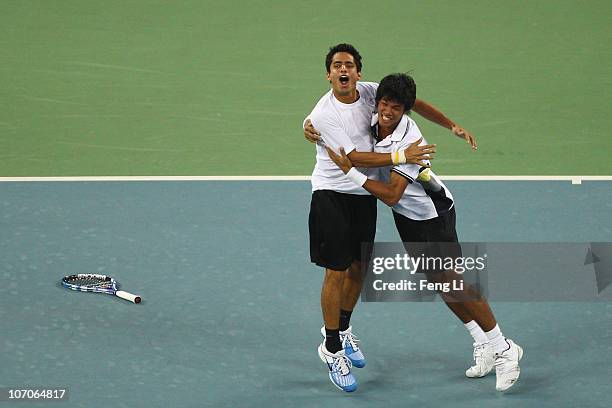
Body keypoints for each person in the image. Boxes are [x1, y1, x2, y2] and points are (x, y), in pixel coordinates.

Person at [325, 72, 523, 392]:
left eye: (397, 107)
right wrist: (451, 125)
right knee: (440, 283)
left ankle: (504, 348)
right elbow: (417, 105)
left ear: (406, 112)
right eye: (385, 103)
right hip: (409, 218)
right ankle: (481, 341)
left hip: (433, 216)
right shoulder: (374, 112)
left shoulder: (410, 141)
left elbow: (391, 195)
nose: (388, 111)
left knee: (453, 282)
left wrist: (352, 174)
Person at [305, 43, 474, 392]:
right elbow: (353, 159)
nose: (343, 70)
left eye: (349, 65)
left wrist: (451, 125)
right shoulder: (324, 114)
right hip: (331, 194)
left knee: (358, 269)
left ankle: (343, 327)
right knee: (335, 271)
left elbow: (413, 105)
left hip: (363, 195)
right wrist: (402, 154)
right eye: (337, 65)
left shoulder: (371, 94)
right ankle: (332, 347)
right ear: (328, 74)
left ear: (358, 73)